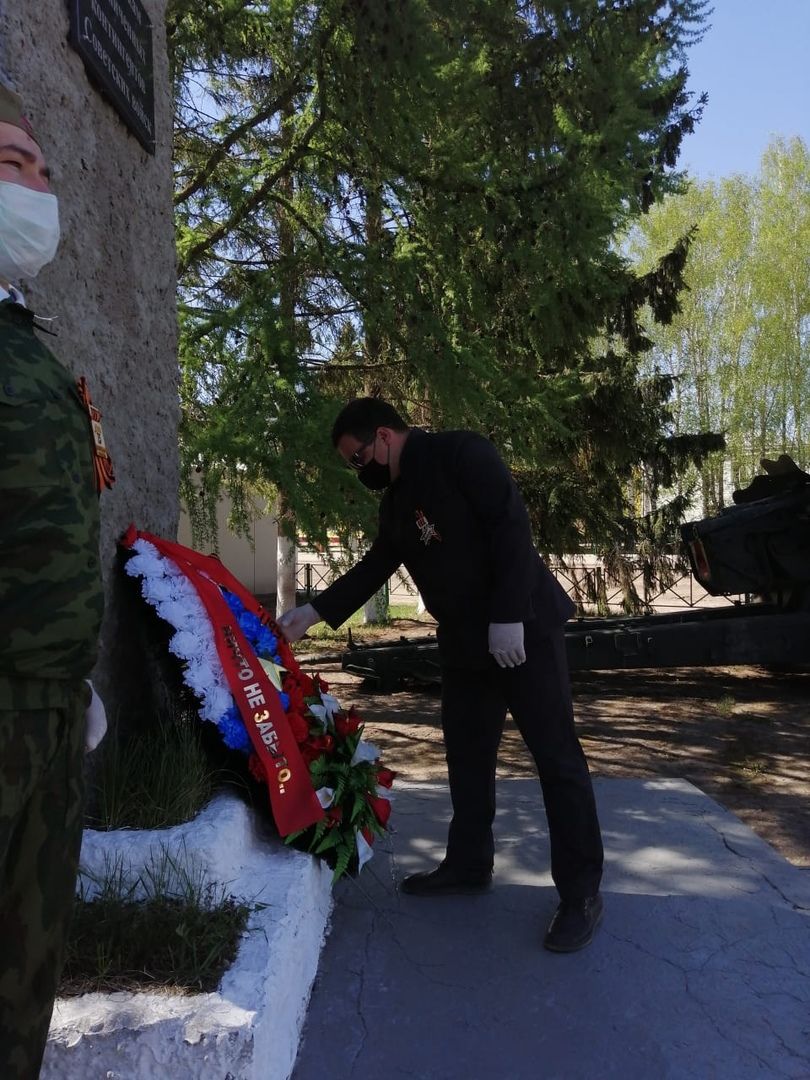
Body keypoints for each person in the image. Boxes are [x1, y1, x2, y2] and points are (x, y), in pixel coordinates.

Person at [278, 397, 604, 952]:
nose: (360, 472)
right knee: (467, 756)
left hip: (522, 632)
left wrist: (508, 616)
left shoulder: (461, 453)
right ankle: (469, 864)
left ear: (384, 436)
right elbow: (375, 566)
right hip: (465, 646)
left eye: (359, 459)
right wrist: (310, 614)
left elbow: (511, 527)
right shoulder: (398, 502)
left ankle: (581, 893)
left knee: (556, 758)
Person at [0, 84, 109, 1077]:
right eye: (9, 164)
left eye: (42, 167)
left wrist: (69, 685)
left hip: (44, 717)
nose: (38, 186)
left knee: (25, 973)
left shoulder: (27, 348)